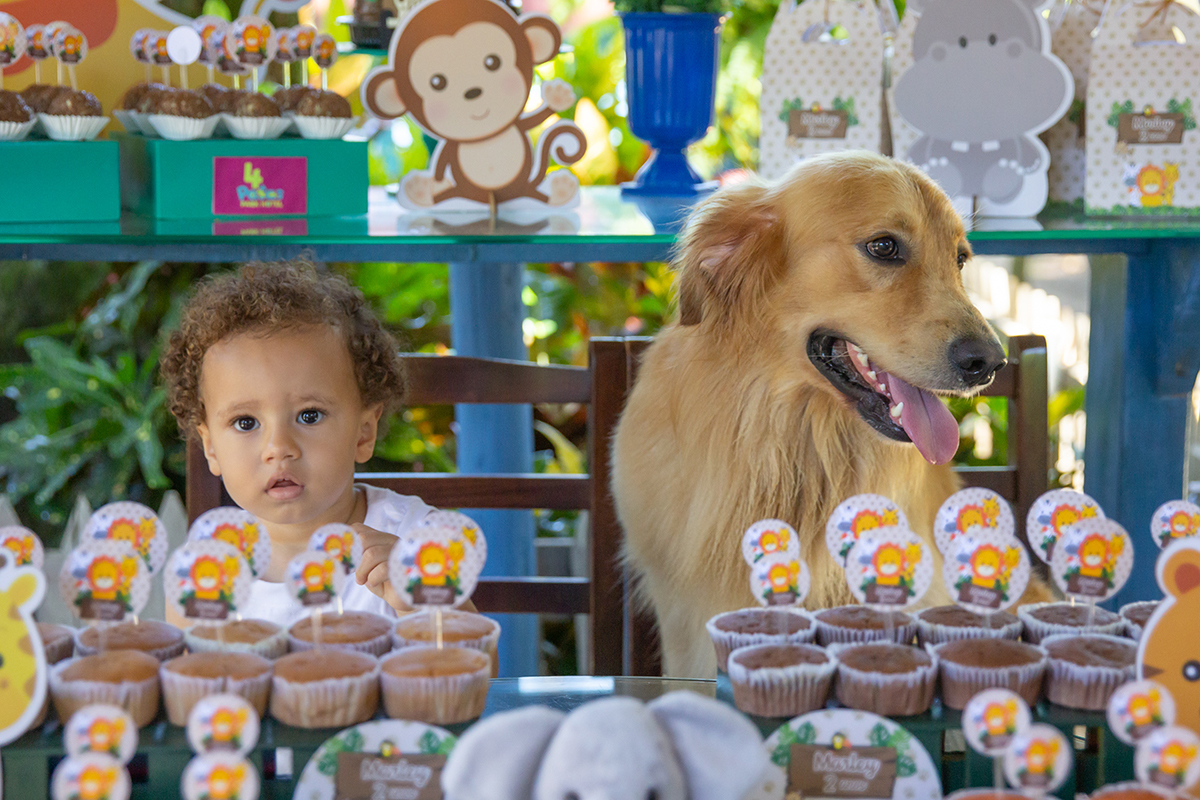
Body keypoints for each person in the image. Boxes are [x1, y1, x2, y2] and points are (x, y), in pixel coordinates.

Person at [161, 259, 433, 626]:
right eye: (246, 422)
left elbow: (479, 667)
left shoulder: (411, 540)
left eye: (309, 415)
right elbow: (186, 679)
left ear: (363, 432)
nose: (279, 447)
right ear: (211, 448)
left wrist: (420, 602)